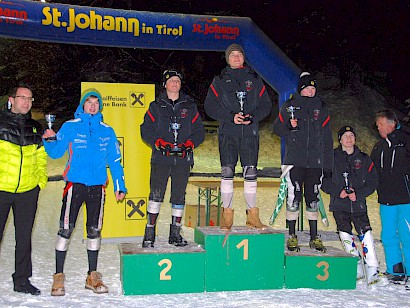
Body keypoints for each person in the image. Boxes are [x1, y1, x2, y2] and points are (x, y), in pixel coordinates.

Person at [42, 88, 126, 296]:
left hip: (97, 187)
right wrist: (49, 139)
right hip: (75, 185)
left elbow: (115, 161)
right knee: (66, 229)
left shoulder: (107, 130)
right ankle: (58, 277)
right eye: (88, 102)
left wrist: (119, 185)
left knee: (94, 231)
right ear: (82, 104)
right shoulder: (70, 126)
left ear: (100, 106)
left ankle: (92, 275)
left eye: (96, 102)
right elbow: (55, 153)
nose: (92, 105)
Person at [204, 43, 272, 230]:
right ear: (227, 59)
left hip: (250, 134)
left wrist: (253, 117)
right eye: (232, 55)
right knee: (227, 173)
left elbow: (266, 105)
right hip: (228, 133)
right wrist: (230, 117)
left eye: (239, 55)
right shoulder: (219, 80)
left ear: (243, 58)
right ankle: (227, 216)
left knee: (250, 173)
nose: (236, 57)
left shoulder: (255, 80)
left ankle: (253, 216)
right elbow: (210, 106)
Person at [140, 69, 205, 248]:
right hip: (161, 158)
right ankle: (149, 232)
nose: (174, 83)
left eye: (177, 80)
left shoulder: (189, 106)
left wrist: (190, 144)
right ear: (165, 84)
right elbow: (145, 130)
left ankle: (175, 233)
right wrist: (158, 142)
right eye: (171, 81)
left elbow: (199, 131)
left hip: (183, 160)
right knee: (156, 195)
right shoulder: (156, 106)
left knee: (178, 196)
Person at [273, 72, 333, 252]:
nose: (310, 91)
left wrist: (328, 165)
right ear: (300, 90)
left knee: (312, 199)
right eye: (307, 88)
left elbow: (327, 138)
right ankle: (292, 235)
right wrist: (288, 126)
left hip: (315, 162)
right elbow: (277, 129)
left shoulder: (321, 107)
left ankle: (314, 236)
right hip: (295, 161)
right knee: (294, 199)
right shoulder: (290, 105)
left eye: (313, 88)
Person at [0, 84, 47, 296]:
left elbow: (41, 157)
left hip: (28, 191)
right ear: (11, 99)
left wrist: (40, 182)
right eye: (22, 97)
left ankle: (21, 280)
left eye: (30, 98)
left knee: (24, 237)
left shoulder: (35, 128)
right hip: (2, 189)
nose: (26, 102)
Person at [322, 126, 383, 284]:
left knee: (366, 233)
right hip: (339, 205)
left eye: (352, 136)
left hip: (358, 205)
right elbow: (322, 180)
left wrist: (359, 194)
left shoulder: (363, 158)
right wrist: (337, 191)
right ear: (340, 139)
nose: (349, 139)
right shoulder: (331, 158)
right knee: (345, 234)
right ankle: (355, 265)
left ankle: (372, 267)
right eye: (346, 136)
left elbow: (373, 181)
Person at [370, 109, 410, 286]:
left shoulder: (406, 142)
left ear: (391, 124)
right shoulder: (379, 147)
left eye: (380, 124)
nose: (378, 127)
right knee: (388, 236)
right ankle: (396, 270)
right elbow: (370, 172)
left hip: (405, 199)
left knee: (407, 236)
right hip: (385, 200)